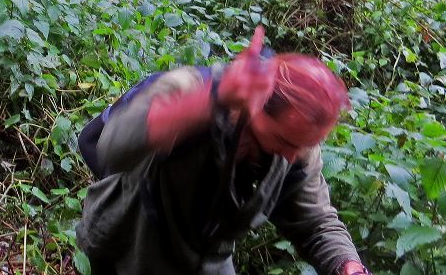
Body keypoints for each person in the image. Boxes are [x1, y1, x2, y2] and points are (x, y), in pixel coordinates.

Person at [76, 27, 371, 275]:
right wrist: (213, 99)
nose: (294, 156)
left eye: (306, 145)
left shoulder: (298, 145)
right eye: (287, 143)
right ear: (255, 107)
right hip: (128, 240)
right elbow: (114, 144)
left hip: (206, 260)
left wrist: (348, 265)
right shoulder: (192, 88)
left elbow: (315, 221)